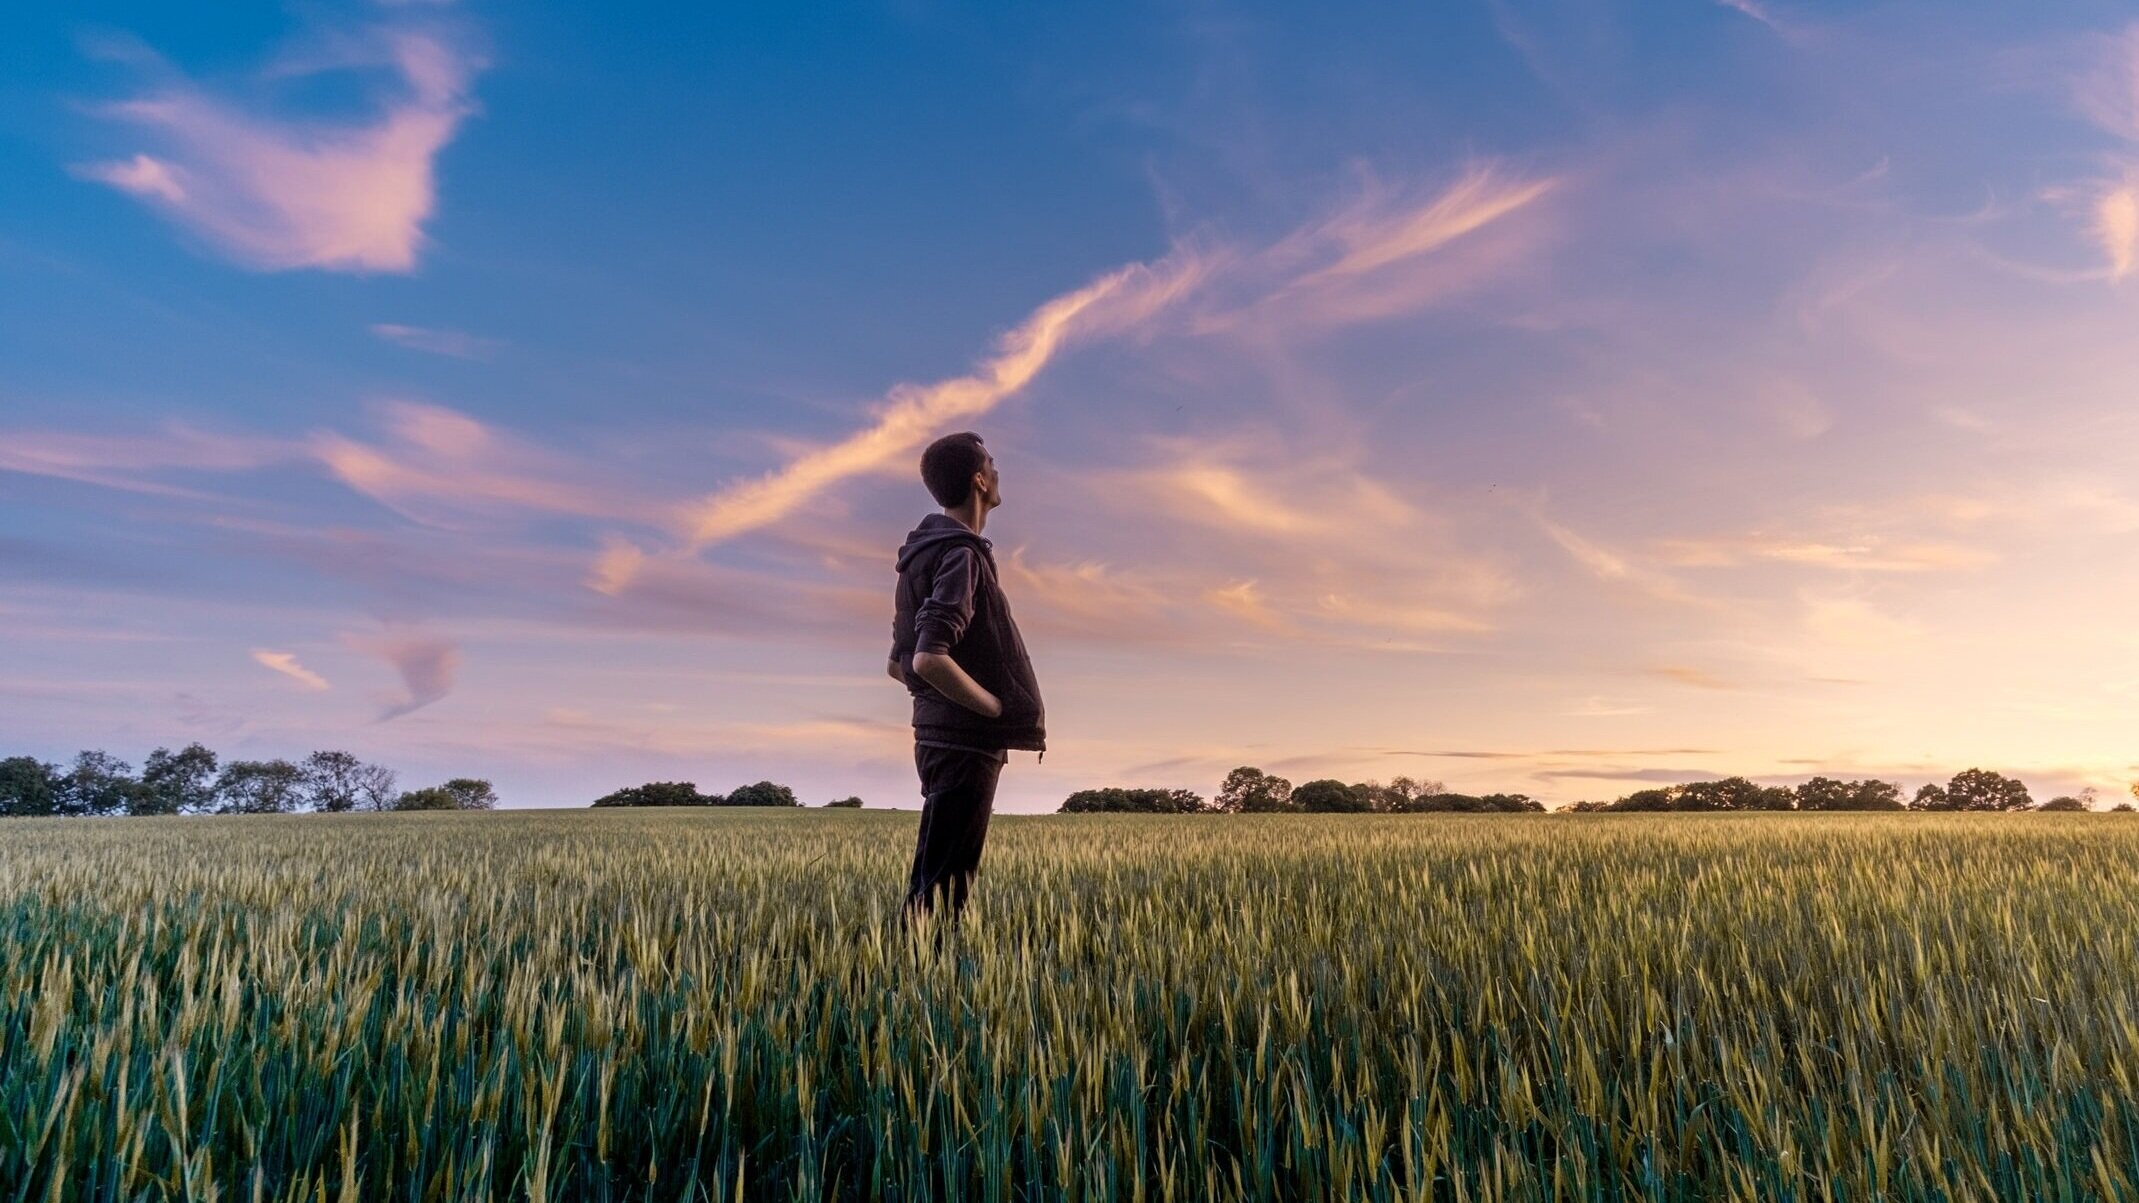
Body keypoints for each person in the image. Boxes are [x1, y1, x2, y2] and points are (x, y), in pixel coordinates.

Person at [886, 431, 1045, 933]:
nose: (998, 472)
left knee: (933, 881)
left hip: (934, 737)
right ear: (979, 479)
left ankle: (906, 978)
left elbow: (898, 662)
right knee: (947, 892)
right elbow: (927, 660)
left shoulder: (921, 555)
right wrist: (994, 710)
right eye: (992, 464)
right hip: (964, 742)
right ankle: (920, 991)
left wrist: (936, 703)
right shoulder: (961, 554)